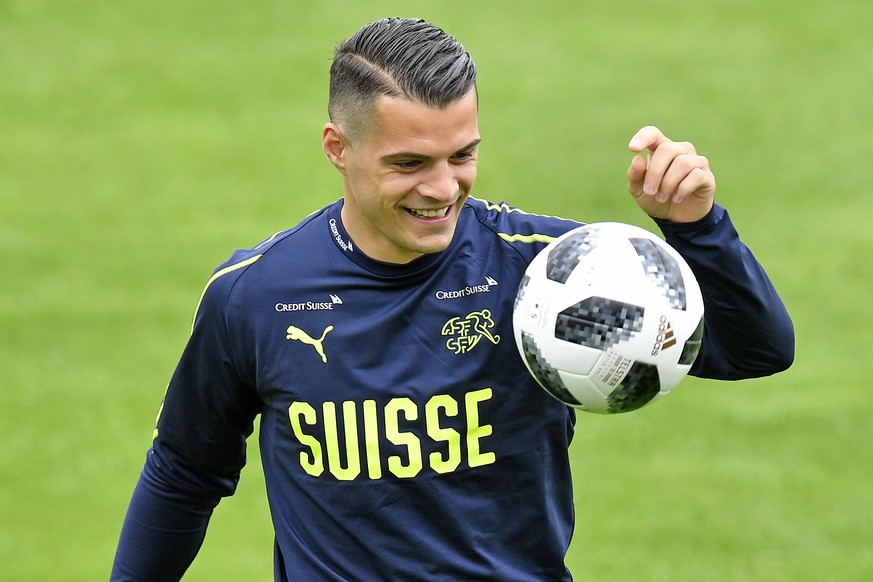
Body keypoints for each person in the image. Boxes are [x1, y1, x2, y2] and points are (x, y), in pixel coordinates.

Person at [111, 17, 794, 581]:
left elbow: (755, 349)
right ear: (337, 148)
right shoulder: (256, 297)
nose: (441, 189)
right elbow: (183, 472)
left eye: (461, 156)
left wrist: (696, 228)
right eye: (408, 164)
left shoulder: (549, 278)